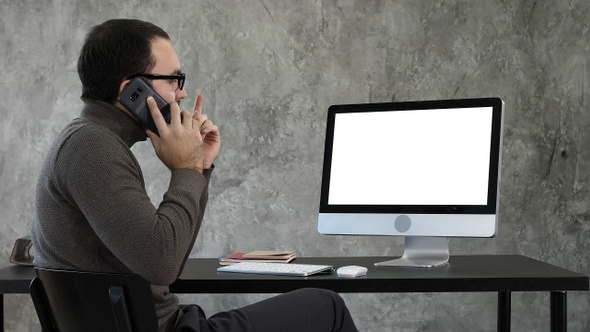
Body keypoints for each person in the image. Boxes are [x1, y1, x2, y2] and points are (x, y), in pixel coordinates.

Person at [31, 19, 358, 332]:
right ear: (132, 90)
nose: (181, 93)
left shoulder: (89, 141)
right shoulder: (91, 146)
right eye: (173, 80)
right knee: (325, 305)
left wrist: (198, 167)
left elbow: (168, 263)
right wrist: (186, 168)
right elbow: (162, 264)